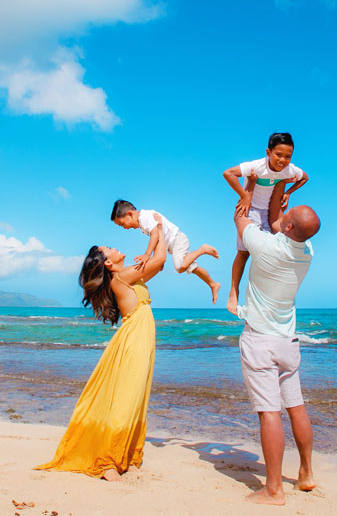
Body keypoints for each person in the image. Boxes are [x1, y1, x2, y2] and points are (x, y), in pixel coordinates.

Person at [34, 214, 167, 481]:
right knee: (127, 396)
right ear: (108, 262)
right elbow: (161, 259)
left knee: (135, 395)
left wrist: (158, 232)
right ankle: (107, 462)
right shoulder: (122, 278)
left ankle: (126, 455)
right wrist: (159, 227)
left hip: (139, 337)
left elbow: (159, 266)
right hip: (134, 339)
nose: (115, 247)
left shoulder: (129, 276)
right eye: (109, 249)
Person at [231, 203, 321, 505]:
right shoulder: (307, 251)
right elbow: (279, 223)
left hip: (260, 341)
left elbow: (240, 218)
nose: (284, 213)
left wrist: (249, 193)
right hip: (288, 341)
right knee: (296, 407)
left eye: (289, 213)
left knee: (269, 413)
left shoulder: (265, 247)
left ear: (289, 227)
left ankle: (273, 489)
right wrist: (282, 200)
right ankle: (306, 474)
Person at [223, 132, 309, 313]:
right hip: (251, 210)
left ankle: (267, 295)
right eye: (278, 154)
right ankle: (234, 291)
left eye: (288, 156)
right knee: (243, 253)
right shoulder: (257, 166)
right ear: (268, 152)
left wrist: (288, 193)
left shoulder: (289, 170)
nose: (282, 160)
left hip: (271, 213)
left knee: (273, 251)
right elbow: (228, 173)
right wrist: (244, 195)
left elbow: (305, 177)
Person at [110, 199, 221, 303]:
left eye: (122, 224)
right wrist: (157, 258)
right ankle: (212, 284)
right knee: (192, 268)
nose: (124, 228)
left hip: (177, 240)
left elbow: (155, 235)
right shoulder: (142, 223)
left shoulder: (145, 217)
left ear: (130, 214)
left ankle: (202, 250)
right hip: (172, 244)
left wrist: (147, 255)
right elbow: (157, 239)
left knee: (180, 267)